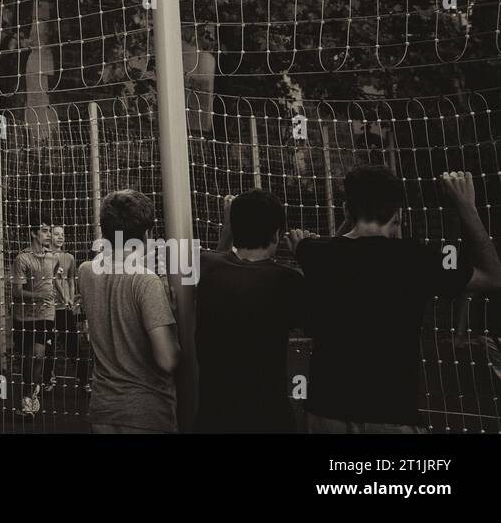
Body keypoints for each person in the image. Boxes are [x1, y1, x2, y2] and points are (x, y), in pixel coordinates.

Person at [291, 167, 501, 433]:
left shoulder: (314, 254)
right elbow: (494, 277)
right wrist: (466, 206)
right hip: (393, 417)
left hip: (325, 415)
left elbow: (336, 248)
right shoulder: (416, 259)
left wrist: (346, 221)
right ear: (397, 213)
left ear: (347, 209)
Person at [196, 189, 304, 432]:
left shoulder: (206, 267)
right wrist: (306, 255)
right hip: (269, 418)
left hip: (214, 418)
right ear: (277, 234)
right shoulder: (288, 281)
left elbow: (220, 257)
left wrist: (228, 224)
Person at [78, 189, 180, 433]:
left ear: (104, 231)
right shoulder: (147, 281)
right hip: (145, 410)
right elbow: (167, 360)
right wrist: (173, 317)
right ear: (147, 234)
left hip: (103, 410)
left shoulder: (86, 271)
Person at [12, 219, 62, 416]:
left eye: (50, 231)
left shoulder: (53, 258)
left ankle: (31, 397)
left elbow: (54, 280)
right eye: (44, 231)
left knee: (38, 356)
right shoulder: (22, 259)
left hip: (46, 315)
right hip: (24, 316)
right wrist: (38, 296)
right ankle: (27, 393)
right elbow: (16, 292)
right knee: (26, 359)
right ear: (33, 234)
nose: (48, 235)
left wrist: (62, 295)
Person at [42, 225, 78, 394]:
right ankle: (48, 378)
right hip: (48, 307)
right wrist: (64, 297)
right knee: (48, 345)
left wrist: (70, 299)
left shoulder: (69, 257)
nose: (60, 237)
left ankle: (83, 379)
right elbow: (54, 280)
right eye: (56, 234)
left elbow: (70, 280)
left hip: (65, 307)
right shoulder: (45, 256)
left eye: (62, 234)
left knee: (72, 343)